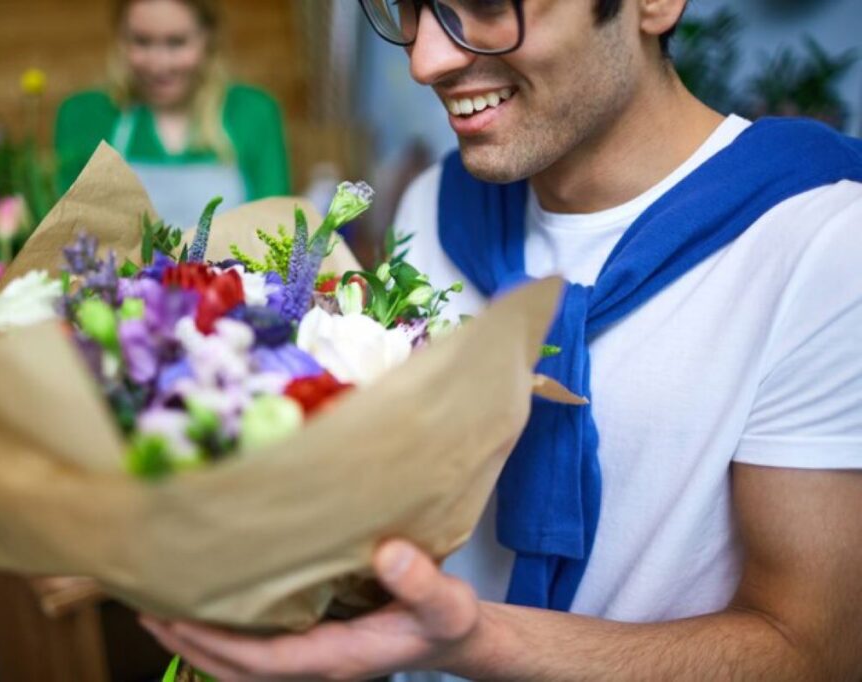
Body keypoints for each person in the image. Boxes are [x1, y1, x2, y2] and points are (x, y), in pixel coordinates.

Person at [139, 1, 862, 679]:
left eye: (486, 3)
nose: (425, 60)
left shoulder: (820, 243)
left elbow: (812, 649)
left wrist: (475, 642)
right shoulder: (433, 206)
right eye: (408, 8)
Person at [54, 0, 291, 228]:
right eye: (142, 41)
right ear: (120, 38)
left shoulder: (252, 113)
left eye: (176, 42)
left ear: (208, 37)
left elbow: (275, 227)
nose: (158, 65)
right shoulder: (84, 116)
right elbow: (63, 234)